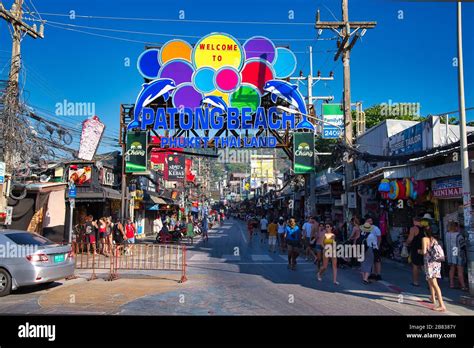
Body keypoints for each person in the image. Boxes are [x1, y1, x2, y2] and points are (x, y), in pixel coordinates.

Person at [422, 225, 446, 312]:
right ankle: (432, 297)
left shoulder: (425, 239)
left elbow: (424, 252)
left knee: (434, 283)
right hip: (436, 263)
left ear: (425, 232)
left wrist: (419, 251)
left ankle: (441, 305)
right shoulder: (434, 240)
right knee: (430, 281)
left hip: (429, 263)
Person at [445, 221, 468, 291]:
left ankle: (451, 284)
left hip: (451, 254)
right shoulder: (459, 235)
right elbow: (463, 246)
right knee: (460, 270)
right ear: (455, 227)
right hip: (458, 254)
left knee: (452, 269)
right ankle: (463, 286)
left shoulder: (447, 234)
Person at [405, 217, 424, 287]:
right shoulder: (425, 228)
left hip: (416, 249)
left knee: (415, 265)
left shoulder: (413, 229)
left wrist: (406, 243)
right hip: (424, 248)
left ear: (414, 221)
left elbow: (410, 239)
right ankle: (430, 283)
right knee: (424, 266)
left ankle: (415, 282)